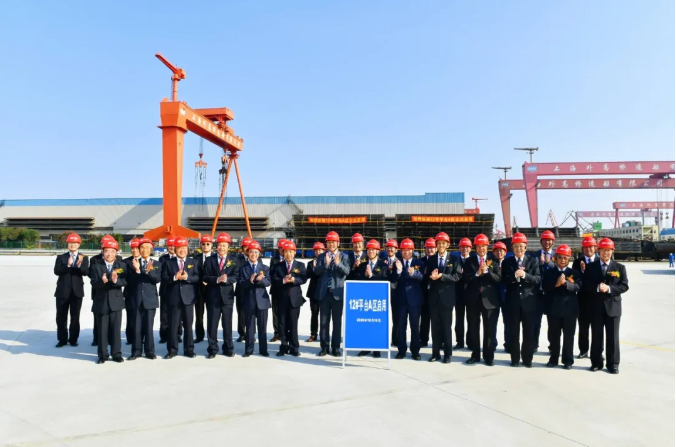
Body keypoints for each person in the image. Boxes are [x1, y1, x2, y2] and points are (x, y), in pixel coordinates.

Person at [583, 238, 628, 374]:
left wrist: (609, 289)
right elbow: (586, 285)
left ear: (612, 251)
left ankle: (613, 364)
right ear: (599, 251)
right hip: (596, 307)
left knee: (613, 337)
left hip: (613, 307)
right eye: (603, 250)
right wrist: (597, 288)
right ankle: (596, 363)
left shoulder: (620, 267)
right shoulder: (591, 267)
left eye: (608, 250)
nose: (605, 253)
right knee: (596, 336)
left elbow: (624, 286)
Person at [501, 232, 541, 368]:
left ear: (525, 247)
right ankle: (515, 359)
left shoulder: (533, 261)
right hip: (513, 303)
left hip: (528, 302)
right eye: (516, 246)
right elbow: (504, 279)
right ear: (512, 248)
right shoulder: (507, 262)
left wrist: (525, 275)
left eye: (521, 246)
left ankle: (527, 359)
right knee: (514, 332)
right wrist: (514, 277)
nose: (519, 249)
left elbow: (537, 279)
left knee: (528, 332)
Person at [463, 234, 501, 366]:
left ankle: (489, 356)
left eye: (483, 246)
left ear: (487, 246)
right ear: (475, 247)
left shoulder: (493, 260)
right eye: (479, 246)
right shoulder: (469, 261)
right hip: (473, 300)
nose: (481, 249)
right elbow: (465, 278)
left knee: (489, 329)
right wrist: (477, 273)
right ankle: (475, 355)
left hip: (489, 300)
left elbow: (498, 278)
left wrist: (487, 272)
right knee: (474, 329)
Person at [425, 232, 462, 364]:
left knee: (446, 327)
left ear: (447, 245)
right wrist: (431, 276)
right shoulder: (431, 259)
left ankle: (447, 354)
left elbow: (457, 276)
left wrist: (442, 276)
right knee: (435, 327)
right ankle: (435, 353)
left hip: (447, 298)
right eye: (439, 243)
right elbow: (426, 277)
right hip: (434, 298)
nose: (441, 245)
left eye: (443, 243)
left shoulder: (454, 259)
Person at [313, 231, 350, 357]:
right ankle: (324, 347)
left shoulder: (344, 256)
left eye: (333, 242)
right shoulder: (321, 257)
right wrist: (326, 265)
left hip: (337, 294)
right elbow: (316, 271)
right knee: (323, 321)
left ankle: (336, 348)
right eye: (329, 242)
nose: (331, 244)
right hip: (324, 294)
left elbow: (347, 271)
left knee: (337, 322)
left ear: (338, 243)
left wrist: (338, 264)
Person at [543, 244, 580, 370]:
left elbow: (578, 286)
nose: (562, 260)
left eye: (565, 257)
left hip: (570, 310)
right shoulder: (549, 272)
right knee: (554, 336)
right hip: (554, 309)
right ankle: (553, 358)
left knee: (569, 336)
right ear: (555, 258)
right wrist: (556, 284)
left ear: (569, 258)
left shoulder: (574, 273)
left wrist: (566, 284)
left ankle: (568, 360)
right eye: (560, 257)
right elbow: (545, 287)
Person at [161, 236, 199, 359]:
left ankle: (189, 349)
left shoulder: (193, 262)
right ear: (175, 249)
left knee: (188, 325)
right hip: (173, 298)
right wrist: (174, 277)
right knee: (173, 325)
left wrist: (187, 277)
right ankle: (172, 350)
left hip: (188, 298)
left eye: (184, 248)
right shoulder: (168, 263)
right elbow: (164, 278)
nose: (182, 250)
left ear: (187, 249)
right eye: (179, 248)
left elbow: (197, 278)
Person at [90, 239, 127, 364]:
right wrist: (103, 281)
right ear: (103, 252)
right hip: (101, 303)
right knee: (102, 331)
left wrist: (116, 281)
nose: (109, 254)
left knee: (116, 330)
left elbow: (125, 281)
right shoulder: (96, 266)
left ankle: (116, 354)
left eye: (112, 251)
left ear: (116, 253)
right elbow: (94, 283)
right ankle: (103, 355)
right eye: (107, 251)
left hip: (116, 303)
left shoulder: (121, 266)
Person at [203, 232, 239, 359]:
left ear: (228, 246)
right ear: (216, 246)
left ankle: (228, 348)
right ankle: (212, 349)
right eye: (219, 245)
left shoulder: (233, 260)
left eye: (224, 245)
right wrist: (217, 279)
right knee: (212, 324)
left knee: (227, 324)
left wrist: (227, 279)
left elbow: (236, 276)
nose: (221, 248)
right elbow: (205, 276)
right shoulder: (209, 260)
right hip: (213, 296)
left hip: (227, 297)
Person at [271, 240, 307, 357]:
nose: (289, 254)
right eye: (286, 252)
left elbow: (304, 279)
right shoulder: (278, 266)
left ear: (295, 252)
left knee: (293, 324)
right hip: (281, 299)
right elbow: (273, 279)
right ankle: (283, 346)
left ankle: (294, 347)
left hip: (294, 299)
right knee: (282, 323)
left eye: (291, 252)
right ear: (283, 253)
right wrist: (283, 281)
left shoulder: (300, 265)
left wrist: (295, 280)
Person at [53, 233, 89, 347]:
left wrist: (79, 266)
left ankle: (73, 339)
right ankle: (62, 339)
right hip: (62, 291)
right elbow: (56, 271)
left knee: (75, 317)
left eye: (75, 243)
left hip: (77, 292)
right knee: (61, 317)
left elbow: (86, 272)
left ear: (79, 244)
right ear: (67, 244)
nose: (72, 245)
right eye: (70, 243)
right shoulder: (61, 257)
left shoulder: (83, 257)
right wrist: (67, 265)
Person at [391, 239, 425, 361]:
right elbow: (393, 279)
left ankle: (415, 351)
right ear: (401, 251)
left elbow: (422, 277)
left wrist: (413, 274)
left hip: (414, 300)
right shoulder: (397, 263)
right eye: (404, 250)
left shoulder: (419, 263)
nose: (406, 252)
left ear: (413, 250)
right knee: (401, 326)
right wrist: (398, 271)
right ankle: (401, 350)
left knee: (415, 326)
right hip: (400, 300)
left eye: (409, 250)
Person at [127, 237, 160, 360]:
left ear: (151, 249)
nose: (144, 250)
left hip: (150, 300)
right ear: (139, 249)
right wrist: (137, 270)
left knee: (148, 327)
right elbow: (129, 281)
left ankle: (150, 351)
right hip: (136, 300)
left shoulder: (156, 264)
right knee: (136, 327)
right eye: (142, 247)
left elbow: (157, 279)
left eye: (147, 248)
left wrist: (148, 271)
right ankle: (136, 351)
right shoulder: (132, 263)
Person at [236, 240, 272, 357]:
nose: (253, 254)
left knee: (262, 327)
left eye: (256, 252)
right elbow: (241, 284)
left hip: (262, 301)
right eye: (251, 252)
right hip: (249, 301)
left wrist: (261, 280)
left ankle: (263, 349)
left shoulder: (264, 268)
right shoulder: (243, 268)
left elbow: (268, 282)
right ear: (247, 253)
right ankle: (249, 350)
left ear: (259, 253)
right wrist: (250, 281)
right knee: (250, 327)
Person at [356, 239, 389, 358]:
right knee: (365, 324)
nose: (370, 252)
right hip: (365, 299)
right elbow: (356, 279)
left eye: (373, 250)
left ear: (377, 251)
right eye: (369, 250)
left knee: (376, 324)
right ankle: (365, 347)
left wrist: (371, 276)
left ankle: (376, 348)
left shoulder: (383, 265)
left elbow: (385, 280)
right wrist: (363, 274)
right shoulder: (362, 265)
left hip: (378, 299)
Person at [88, 235, 122, 346]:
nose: (109, 253)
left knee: (113, 320)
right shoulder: (94, 259)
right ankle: (97, 339)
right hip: (99, 291)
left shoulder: (119, 259)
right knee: (99, 318)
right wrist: (102, 280)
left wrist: (113, 279)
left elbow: (121, 274)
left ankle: (111, 340)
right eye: (103, 244)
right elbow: (92, 275)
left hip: (113, 292)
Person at [572, 236, 598, 359]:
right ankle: (583, 350)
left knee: (597, 328)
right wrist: (582, 272)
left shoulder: (600, 260)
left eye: (590, 247)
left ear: (595, 248)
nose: (588, 249)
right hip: (582, 300)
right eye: (586, 247)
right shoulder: (577, 262)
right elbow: (575, 280)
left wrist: (587, 271)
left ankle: (597, 351)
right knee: (583, 327)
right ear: (582, 249)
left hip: (597, 300)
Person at [532, 230, 556, 353]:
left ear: (553, 241)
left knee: (552, 323)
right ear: (541, 242)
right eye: (545, 240)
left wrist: (548, 263)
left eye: (549, 240)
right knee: (536, 322)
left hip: (552, 294)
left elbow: (560, 270)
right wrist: (540, 263)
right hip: (538, 294)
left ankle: (552, 346)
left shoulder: (558, 255)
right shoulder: (534, 255)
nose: (547, 242)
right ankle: (534, 345)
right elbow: (531, 270)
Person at [158, 236, 181, 344]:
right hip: (166, 289)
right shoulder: (163, 259)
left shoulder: (181, 257)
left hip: (178, 290)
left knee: (178, 314)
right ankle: (164, 335)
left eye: (173, 245)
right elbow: (162, 274)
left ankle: (178, 334)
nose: (172, 248)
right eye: (169, 245)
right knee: (164, 314)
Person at [194, 234, 215, 343]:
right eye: (203, 244)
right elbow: (193, 273)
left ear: (211, 245)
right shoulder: (195, 258)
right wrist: (201, 280)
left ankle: (212, 336)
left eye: (207, 244)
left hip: (212, 290)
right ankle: (199, 335)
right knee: (199, 314)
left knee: (212, 315)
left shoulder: (215, 258)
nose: (205, 246)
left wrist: (209, 281)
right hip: (199, 290)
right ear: (200, 245)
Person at [122, 237, 141, 346]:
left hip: (143, 294)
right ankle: (130, 338)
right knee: (130, 317)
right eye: (133, 248)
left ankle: (141, 337)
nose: (134, 250)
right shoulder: (125, 262)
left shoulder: (146, 261)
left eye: (137, 248)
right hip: (130, 293)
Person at [490, 242, 509, 352]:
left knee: (508, 322)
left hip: (507, 297)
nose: (499, 252)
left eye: (501, 250)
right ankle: (492, 343)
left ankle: (508, 344)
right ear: (493, 253)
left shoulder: (510, 263)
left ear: (505, 252)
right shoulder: (490, 263)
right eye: (496, 251)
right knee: (492, 322)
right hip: (494, 296)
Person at [305, 242, 325, 342]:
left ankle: (323, 335)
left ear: (323, 251)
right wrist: (313, 269)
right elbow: (307, 275)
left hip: (324, 292)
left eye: (320, 250)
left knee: (324, 315)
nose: (318, 252)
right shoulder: (310, 263)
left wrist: (318, 268)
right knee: (314, 314)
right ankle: (313, 334)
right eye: (316, 250)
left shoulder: (326, 262)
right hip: (313, 292)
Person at [455, 237, 473, 349]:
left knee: (471, 319)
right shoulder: (455, 260)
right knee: (459, 319)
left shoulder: (474, 261)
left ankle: (470, 342)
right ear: (459, 248)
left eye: (467, 247)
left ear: (470, 248)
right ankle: (459, 342)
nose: (464, 249)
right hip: (459, 294)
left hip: (471, 294)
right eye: (462, 247)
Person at [269, 239, 287, 343]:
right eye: (280, 248)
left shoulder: (290, 259)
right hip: (276, 289)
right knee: (275, 313)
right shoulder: (274, 260)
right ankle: (277, 333)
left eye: (283, 248)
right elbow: (271, 274)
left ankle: (285, 332)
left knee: (285, 312)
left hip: (286, 290)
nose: (282, 250)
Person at [235, 237, 253, 342]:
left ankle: (251, 334)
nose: (247, 249)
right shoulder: (238, 260)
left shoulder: (257, 258)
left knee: (252, 313)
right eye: (245, 247)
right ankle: (242, 333)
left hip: (252, 290)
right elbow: (237, 274)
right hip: (241, 290)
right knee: (241, 313)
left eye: (248, 247)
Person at [419, 237, 436, 347]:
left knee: (437, 319)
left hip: (436, 293)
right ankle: (423, 340)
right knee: (424, 318)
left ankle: (438, 341)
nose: (430, 250)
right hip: (424, 293)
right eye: (428, 248)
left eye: (432, 247)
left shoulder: (438, 260)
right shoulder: (420, 261)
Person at [384, 239, 400, 345]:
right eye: (388, 248)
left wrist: (393, 270)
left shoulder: (399, 261)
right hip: (383, 292)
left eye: (392, 248)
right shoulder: (381, 261)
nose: (390, 249)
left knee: (396, 317)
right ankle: (382, 338)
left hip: (396, 292)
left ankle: (395, 339)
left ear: (396, 250)